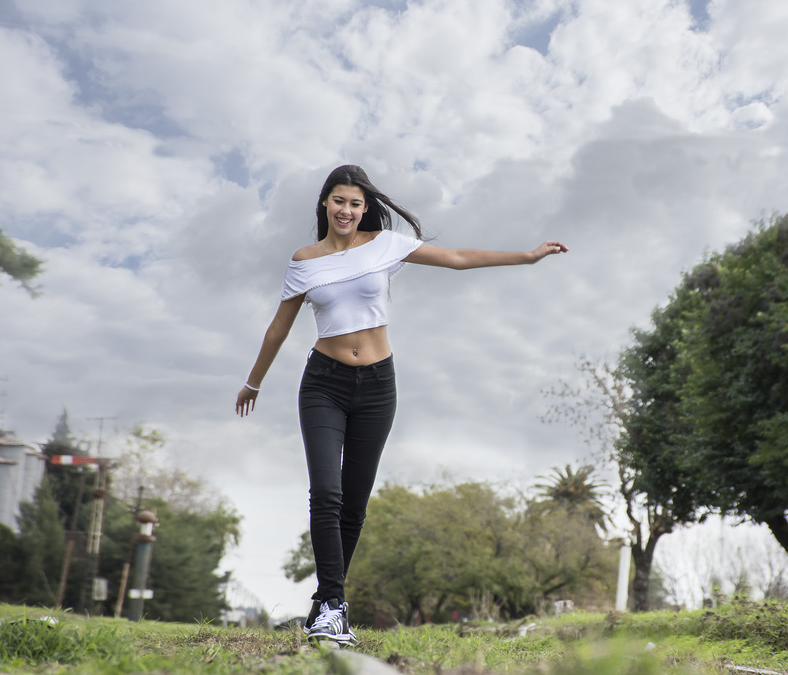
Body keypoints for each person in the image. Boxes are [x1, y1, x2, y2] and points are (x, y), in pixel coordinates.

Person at [235, 165, 567, 644]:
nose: (346, 210)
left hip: (377, 387)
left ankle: (323, 605)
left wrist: (527, 257)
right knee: (326, 494)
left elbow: (456, 257)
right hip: (323, 385)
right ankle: (333, 606)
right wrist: (254, 382)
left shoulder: (386, 245)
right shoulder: (304, 260)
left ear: (365, 207)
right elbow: (279, 326)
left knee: (355, 504)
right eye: (338, 201)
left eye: (355, 203)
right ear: (324, 203)